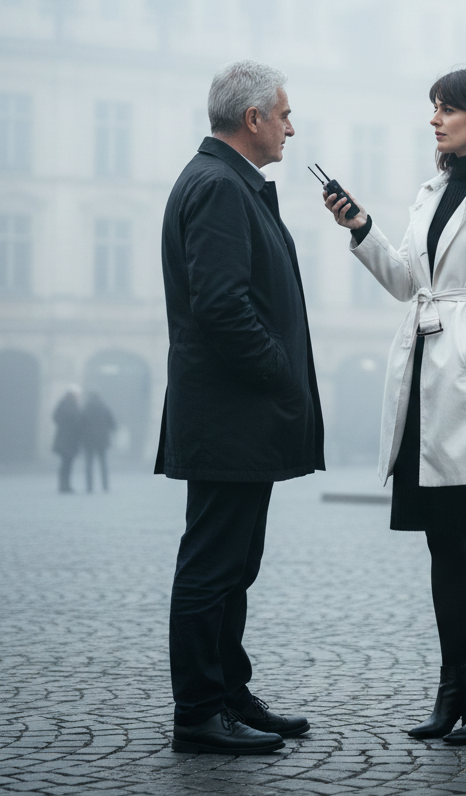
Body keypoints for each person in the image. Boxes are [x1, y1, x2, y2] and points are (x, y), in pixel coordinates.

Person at [324, 68, 466, 745]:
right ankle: (456, 683)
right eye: (434, 108)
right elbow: (408, 282)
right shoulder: (432, 191)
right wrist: (361, 227)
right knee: (441, 540)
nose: (435, 119)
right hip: (424, 377)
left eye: (447, 109)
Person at [156, 59, 325, 756]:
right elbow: (222, 306)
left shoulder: (227, 181)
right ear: (252, 119)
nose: (290, 127)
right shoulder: (220, 187)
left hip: (235, 415)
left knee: (233, 564)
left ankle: (228, 692)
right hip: (231, 414)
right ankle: (199, 711)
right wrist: (280, 371)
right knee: (212, 566)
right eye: (283, 115)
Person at [81, 392, 116, 492]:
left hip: (89, 440)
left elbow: (80, 424)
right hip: (102, 440)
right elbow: (113, 424)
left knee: (89, 464)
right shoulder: (104, 408)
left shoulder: (86, 408)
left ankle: (89, 486)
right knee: (103, 464)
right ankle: (105, 485)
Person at [52, 386, 83, 494]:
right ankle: (64, 485)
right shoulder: (69, 405)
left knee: (67, 463)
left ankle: (65, 485)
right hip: (68, 439)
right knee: (66, 463)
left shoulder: (65, 404)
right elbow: (58, 417)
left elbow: (56, 417)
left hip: (68, 439)